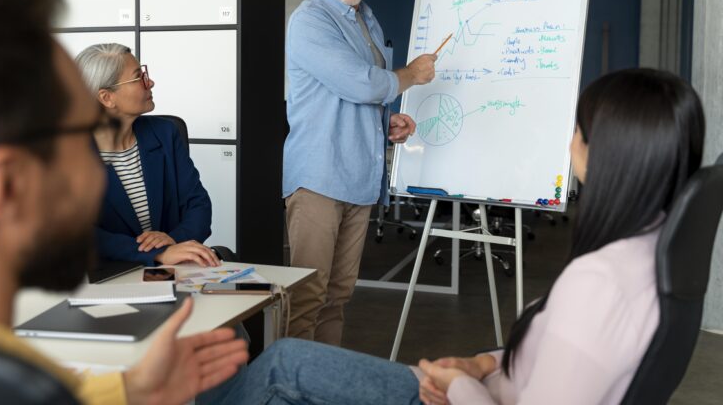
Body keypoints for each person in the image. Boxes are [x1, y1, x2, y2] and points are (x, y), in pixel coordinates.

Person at [203, 67, 706, 404]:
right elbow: (564, 361)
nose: (568, 139)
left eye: (577, 127)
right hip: (483, 386)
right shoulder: (651, 253)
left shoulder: (600, 282)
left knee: (281, 366)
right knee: (287, 357)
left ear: (603, 151)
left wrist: (461, 384)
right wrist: (483, 361)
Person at [0, 0, 248, 403]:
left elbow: (197, 205)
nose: (95, 171)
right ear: (6, 186)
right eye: (71, 136)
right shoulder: (14, 384)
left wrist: (129, 390)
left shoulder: (12, 377)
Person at [283, 0, 437, 346]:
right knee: (308, 298)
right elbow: (360, 83)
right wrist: (410, 75)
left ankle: (326, 382)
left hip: (358, 181)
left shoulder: (365, 18)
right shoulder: (310, 21)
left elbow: (353, 97)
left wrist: (384, 122)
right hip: (318, 180)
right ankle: (295, 385)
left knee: (338, 296)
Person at [75, 44, 221, 268]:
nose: (150, 82)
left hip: (172, 271)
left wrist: (174, 240)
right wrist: (157, 253)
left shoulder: (164, 133)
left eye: (145, 74)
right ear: (106, 98)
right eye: (138, 78)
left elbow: (198, 204)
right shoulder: (68, 154)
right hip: (108, 277)